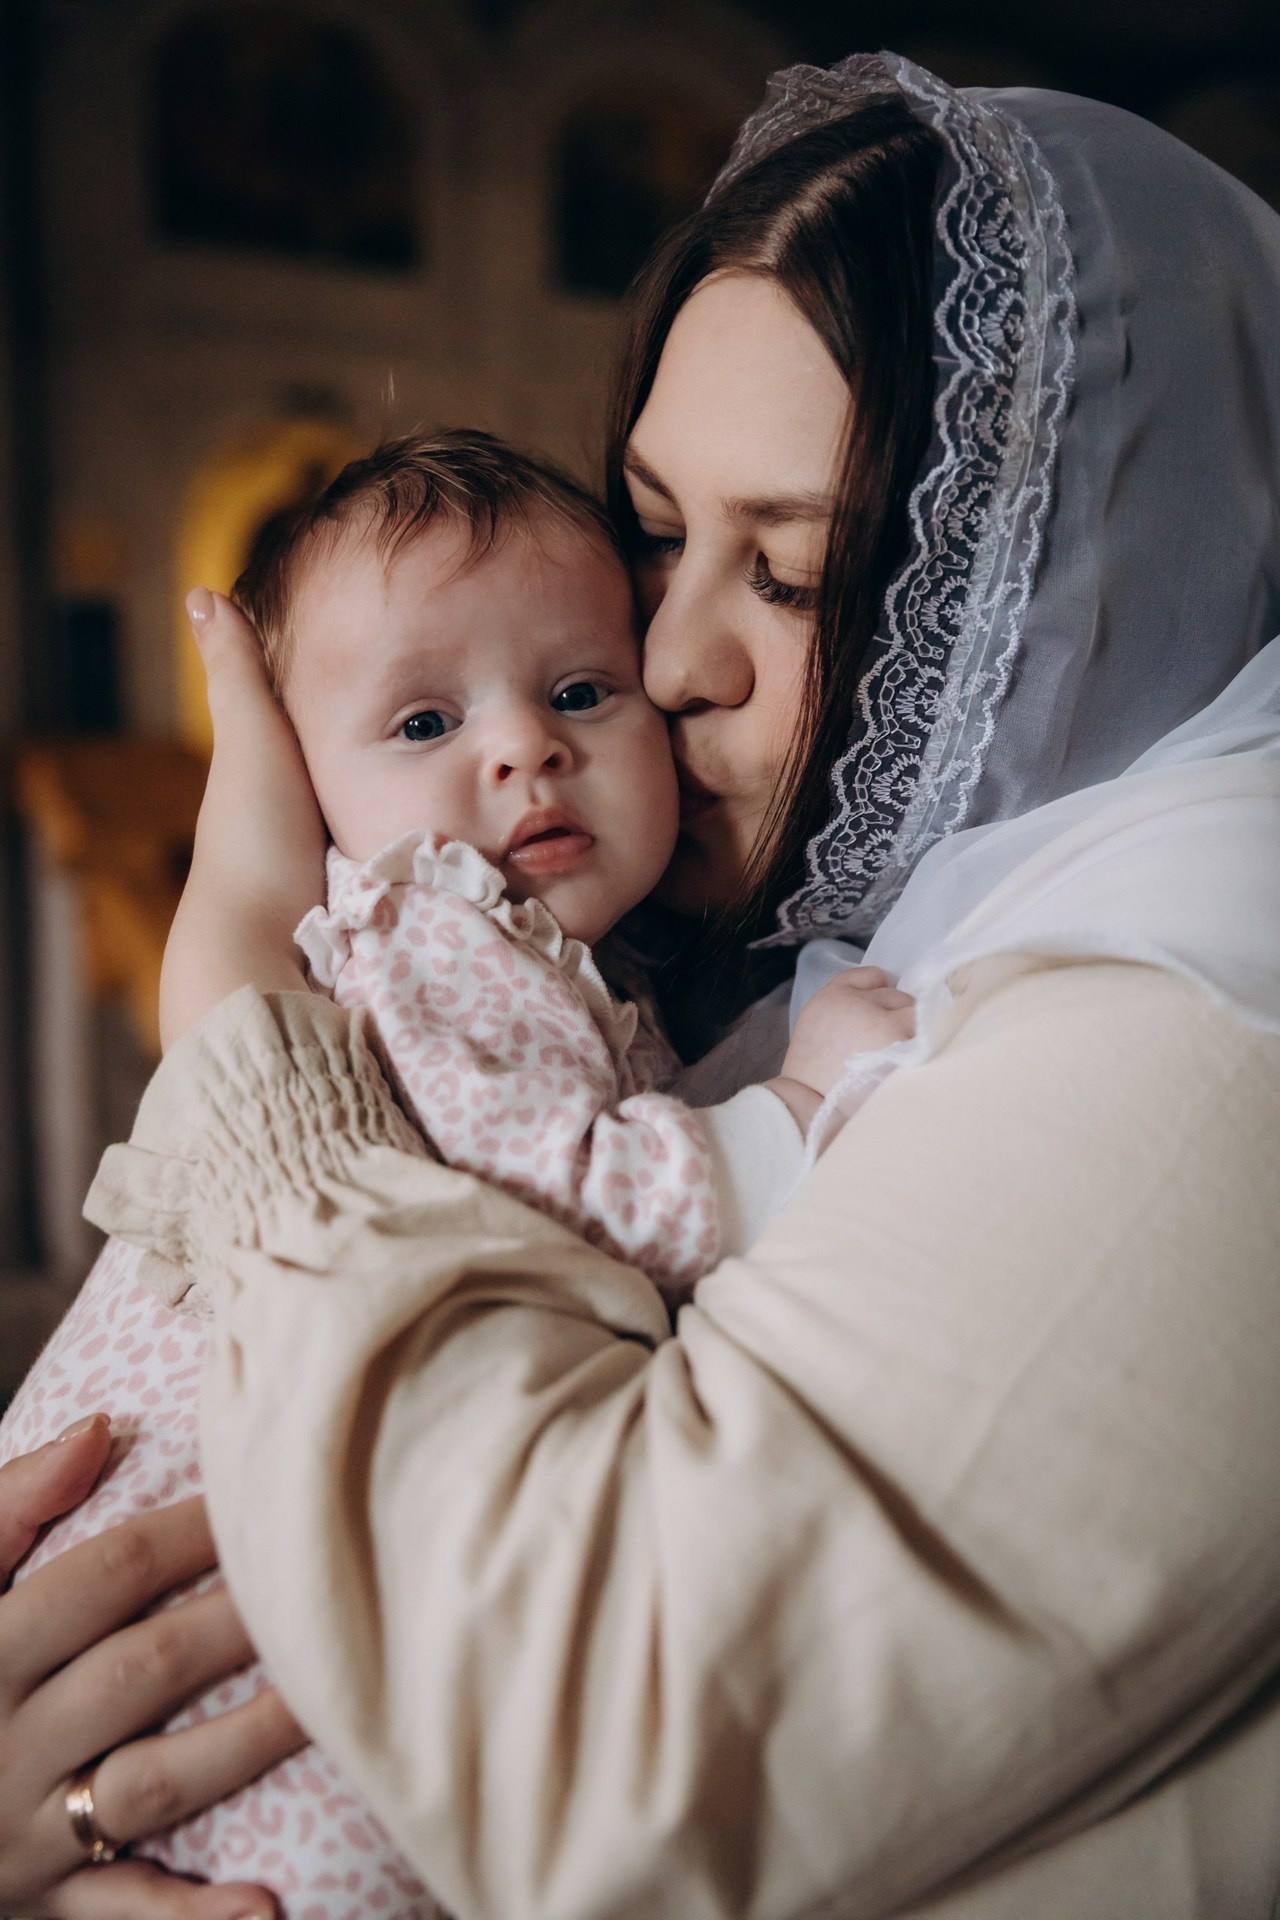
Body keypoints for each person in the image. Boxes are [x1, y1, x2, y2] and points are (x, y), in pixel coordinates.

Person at [4, 49, 1280, 1920]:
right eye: (664, 535)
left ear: (1067, 589)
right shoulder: (798, 944)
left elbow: (582, 1747)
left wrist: (241, 1039)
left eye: (792, 569)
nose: (665, 659)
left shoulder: (1194, 1045)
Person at [0, 431, 906, 1916]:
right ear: (307, 785)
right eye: (424, 720)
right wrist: (793, 1111)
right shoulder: (429, 932)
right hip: (187, 1536)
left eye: (577, 692)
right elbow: (539, 1189)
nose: (524, 748)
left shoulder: (552, 971)